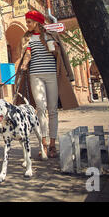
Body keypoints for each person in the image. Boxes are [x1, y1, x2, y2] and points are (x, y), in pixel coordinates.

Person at [15, 10, 78, 158]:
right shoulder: (27, 38)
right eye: (26, 22)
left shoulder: (51, 35)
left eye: (29, 22)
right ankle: (43, 143)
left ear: (37, 22)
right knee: (40, 108)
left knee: (52, 110)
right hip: (35, 76)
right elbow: (27, 54)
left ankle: (52, 144)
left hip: (52, 76)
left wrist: (55, 48)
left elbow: (61, 55)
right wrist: (23, 65)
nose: (27, 24)